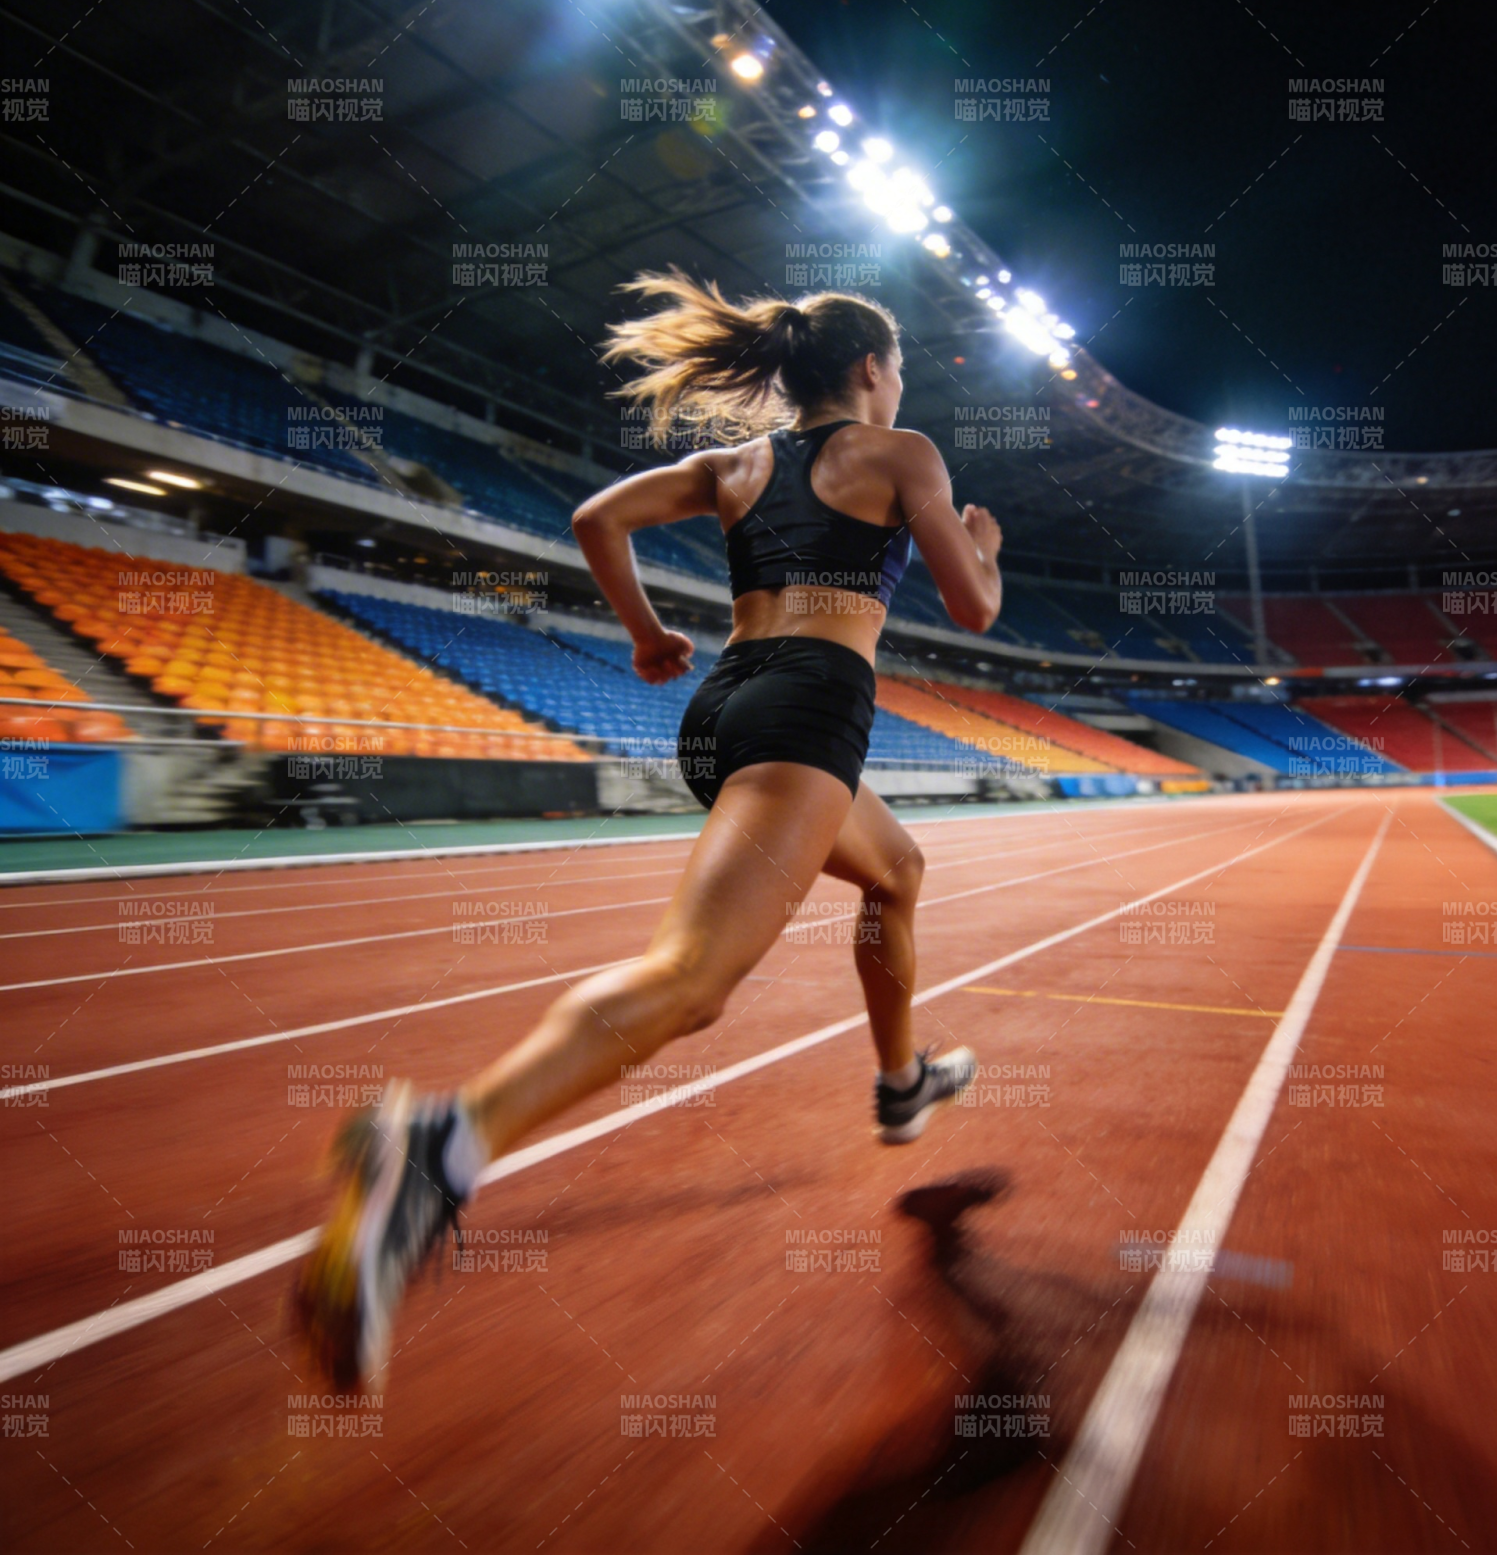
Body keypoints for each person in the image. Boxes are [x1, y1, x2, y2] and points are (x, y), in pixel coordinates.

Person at [296, 270, 1005, 1389]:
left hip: (727, 707)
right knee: (692, 980)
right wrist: (983, 543)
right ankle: (444, 1141)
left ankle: (901, 1078)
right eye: (899, 367)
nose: (900, 381)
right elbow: (973, 609)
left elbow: (596, 518)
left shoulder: (735, 467)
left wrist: (642, 637)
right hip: (811, 707)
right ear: (872, 370)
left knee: (897, 872)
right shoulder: (904, 452)